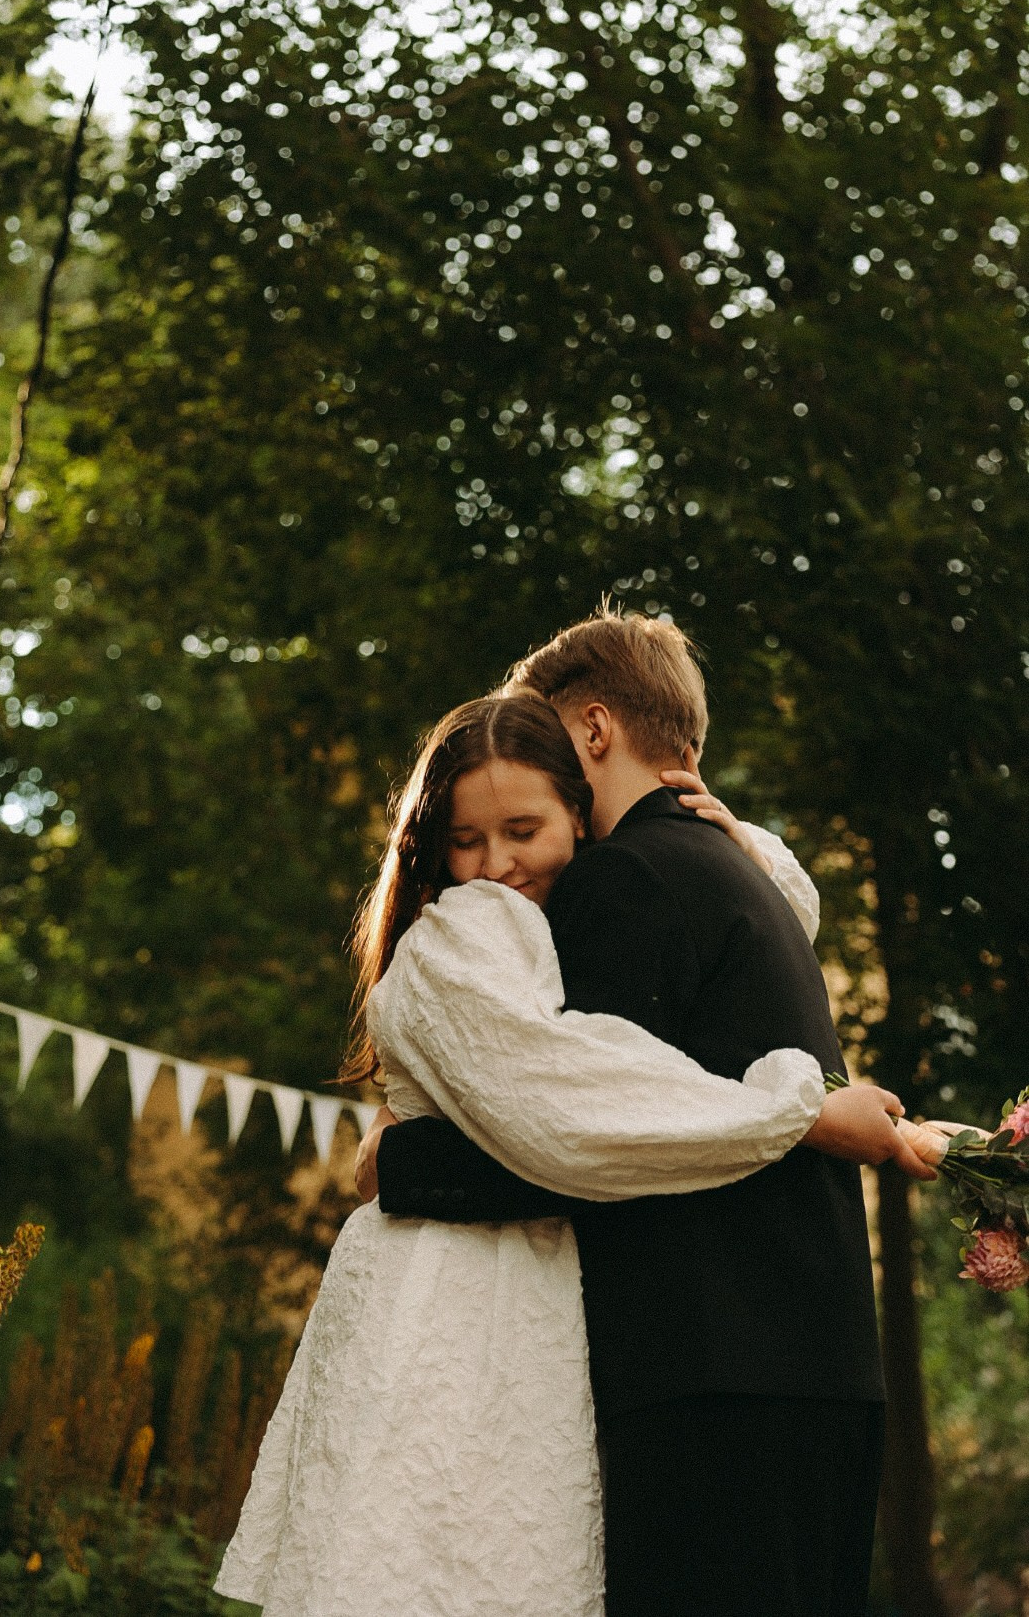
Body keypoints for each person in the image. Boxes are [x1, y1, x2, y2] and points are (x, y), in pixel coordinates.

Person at [215, 685, 935, 1617]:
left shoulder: (578, 913)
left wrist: (737, 838)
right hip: (456, 1296)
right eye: (465, 841)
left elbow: (702, 993)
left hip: (537, 1297)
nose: (494, 866)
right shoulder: (466, 935)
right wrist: (799, 1115)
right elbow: (571, 1108)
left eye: (523, 829)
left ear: (582, 816)